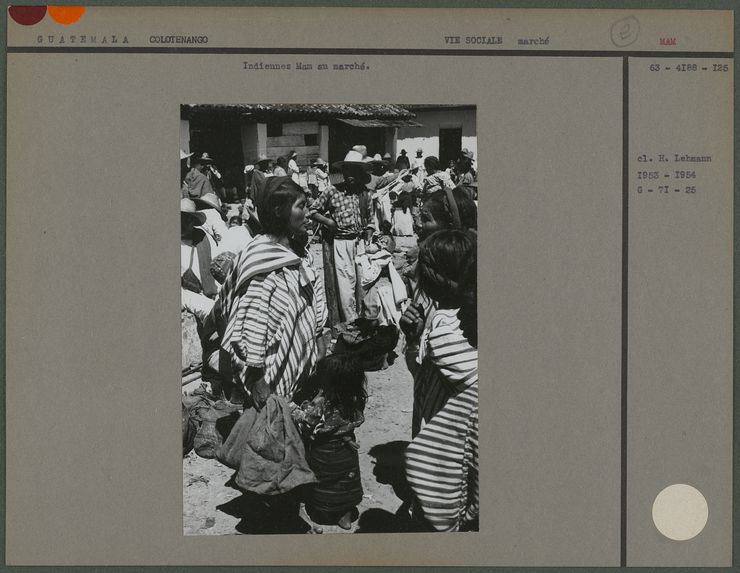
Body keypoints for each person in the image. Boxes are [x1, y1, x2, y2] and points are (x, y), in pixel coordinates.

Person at [211, 176, 327, 405]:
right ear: (278, 210)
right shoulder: (262, 261)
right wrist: (257, 381)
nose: (307, 212)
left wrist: (319, 338)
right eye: (300, 206)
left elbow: (313, 305)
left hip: (299, 374)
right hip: (269, 382)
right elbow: (252, 326)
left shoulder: (297, 254)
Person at [401, 229, 478, 532]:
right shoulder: (469, 317)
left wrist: (420, 338)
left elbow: (423, 375)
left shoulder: (446, 327)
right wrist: (415, 338)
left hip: (450, 447)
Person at [292, 354, 367, 530]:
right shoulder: (355, 398)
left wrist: (297, 410)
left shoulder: (322, 404)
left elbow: (307, 423)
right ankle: (345, 515)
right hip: (346, 448)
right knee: (345, 479)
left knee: (325, 480)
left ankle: (326, 511)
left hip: (324, 450)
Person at [309, 146, 370, 324]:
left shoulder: (363, 192)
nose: (350, 174)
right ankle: (350, 322)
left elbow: (371, 217)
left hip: (359, 243)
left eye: (354, 170)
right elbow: (313, 210)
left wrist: (370, 231)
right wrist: (328, 222)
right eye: (347, 170)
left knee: (363, 281)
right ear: (343, 171)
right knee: (345, 284)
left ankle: (363, 318)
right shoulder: (332, 191)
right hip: (341, 242)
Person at [181, 198, 219, 299]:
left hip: (204, 295)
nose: (183, 223)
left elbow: (215, 268)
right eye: (181, 218)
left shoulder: (203, 238)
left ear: (193, 221)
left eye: (187, 219)